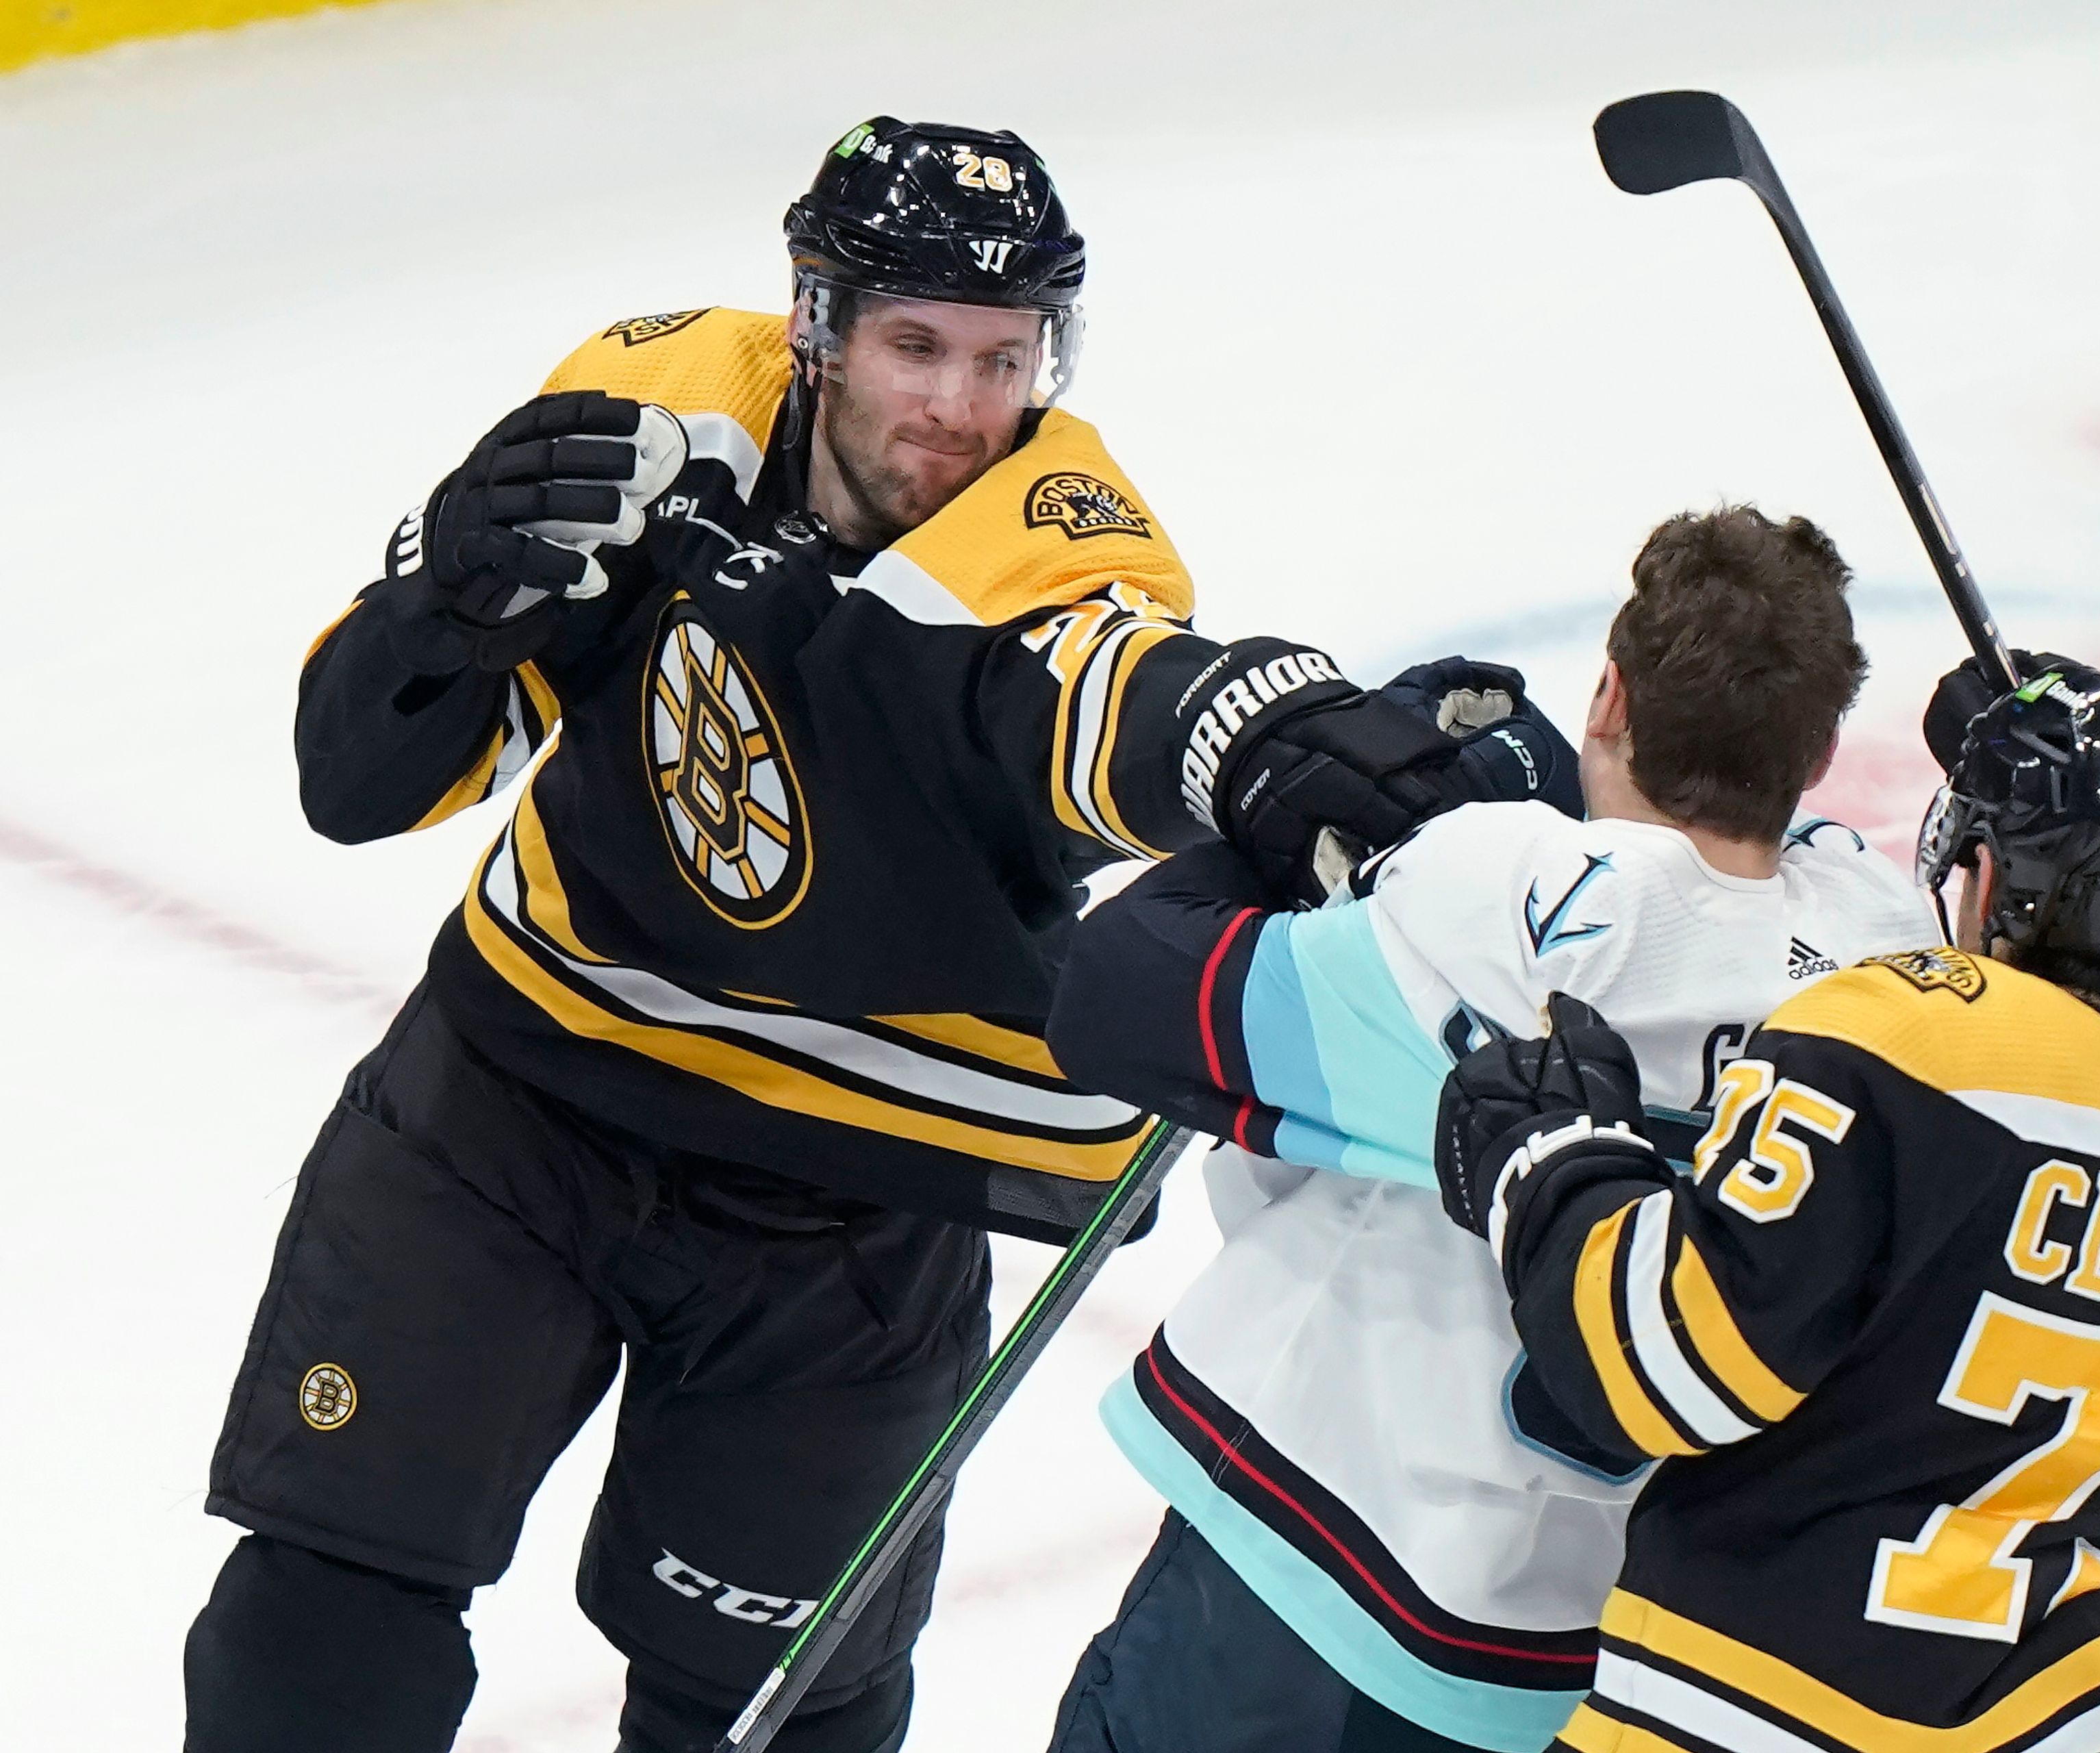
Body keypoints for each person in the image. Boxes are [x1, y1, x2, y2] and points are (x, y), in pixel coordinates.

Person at [186, 116, 1546, 1753]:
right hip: (522, 1094)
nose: (965, 408)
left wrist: (1257, 734)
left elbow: (1105, 686)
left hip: (863, 1189)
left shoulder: (1055, 524)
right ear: (815, 322)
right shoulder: (662, 405)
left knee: (763, 1712)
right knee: (322, 1601)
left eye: (1005, 354)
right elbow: (356, 775)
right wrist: (441, 604)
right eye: (917, 345)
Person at [1037, 506, 1945, 1752]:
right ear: (1822, 748)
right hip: (1600, 1646)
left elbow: (1121, 991)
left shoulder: (1511, 902)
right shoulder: (1884, 965)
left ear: (1609, 692)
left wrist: (1329, 803)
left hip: (1312, 1556)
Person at [1432, 664, 2100, 1753]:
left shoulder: (1904, 1043)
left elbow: (1659, 1370)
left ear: (1986, 874)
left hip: (1756, 1709)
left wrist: (1557, 1161)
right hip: (2083, 1719)